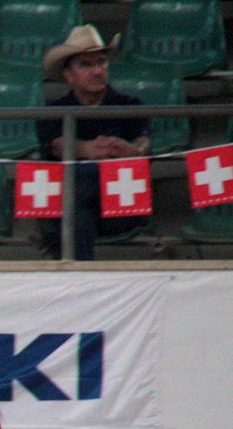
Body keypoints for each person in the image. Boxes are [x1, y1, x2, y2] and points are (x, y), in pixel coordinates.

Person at [37, 25, 151, 260]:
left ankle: (73, 273)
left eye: (101, 63)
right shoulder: (52, 112)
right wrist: (85, 149)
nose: (97, 71)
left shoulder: (131, 106)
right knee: (79, 208)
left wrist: (129, 151)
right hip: (75, 208)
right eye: (86, 65)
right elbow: (56, 145)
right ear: (68, 76)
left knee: (77, 195)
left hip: (121, 204)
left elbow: (144, 143)